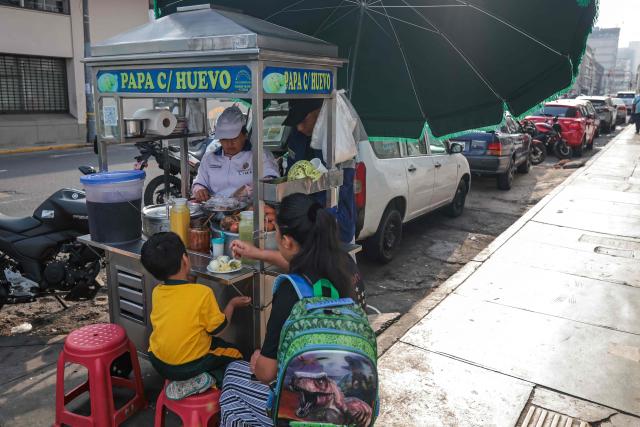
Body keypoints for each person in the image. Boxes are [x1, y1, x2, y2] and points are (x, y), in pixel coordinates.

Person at [219, 193, 366, 426]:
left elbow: (266, 374)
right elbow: (302, 265)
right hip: (349, 415)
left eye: (275, 232)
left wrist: (257, 360)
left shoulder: (290, 293)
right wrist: (257, 254)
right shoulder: (345, 265)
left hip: (302, 415)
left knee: (231, 386)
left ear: (287, 241)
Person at [141, 232, 251, 393]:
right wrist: (232, 305)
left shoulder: (157, 292)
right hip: (188, 366)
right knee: (236, 354)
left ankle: (186, 382)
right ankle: (207, 380)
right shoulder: (202, 293)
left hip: (159, 363)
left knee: (211, 346)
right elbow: (219, 330)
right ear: (185, 259)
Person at [283, 99, 358, 243]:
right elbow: (290, 175)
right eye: (295, 121)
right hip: (302, 228)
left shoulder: (338, 148)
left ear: (319, 113)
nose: (299, 127)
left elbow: (346, 229)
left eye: (303, 120)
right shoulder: (297, 135)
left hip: (331, 235)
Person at [192, 105, 280, 201]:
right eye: (225, 139)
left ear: (245, 135)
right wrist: (199, 189)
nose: (229, 143)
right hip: (216, 210)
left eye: (234, 138)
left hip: (249, 210)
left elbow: (272, 181)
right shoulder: (209, 158)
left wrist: (250, 190)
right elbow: (199, 182)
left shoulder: (260, 155)